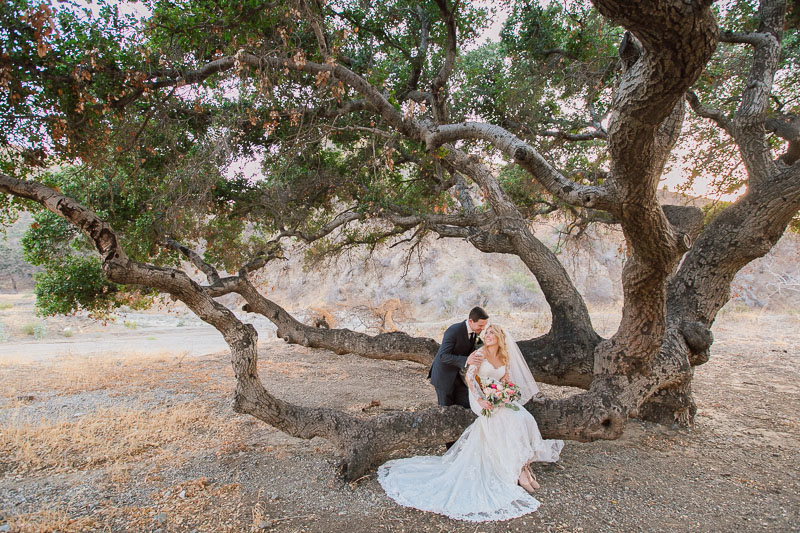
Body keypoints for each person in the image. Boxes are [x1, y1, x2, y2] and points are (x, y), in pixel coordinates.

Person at [379, 324, 564, 522]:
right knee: (509, 420)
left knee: (524, 417)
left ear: (500, 337)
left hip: (497, 397)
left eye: (493, 333)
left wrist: (507, 392)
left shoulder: (504, 356)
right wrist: (482, 399)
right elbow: (470, 377)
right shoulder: (479, 353)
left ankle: (522, 464)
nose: (488, 335)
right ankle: (518, 472)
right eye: (487, 333)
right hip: (480, 397)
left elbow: (506, 379)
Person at [428, 307, 489, 410]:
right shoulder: (453, 331)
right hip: (444, 377)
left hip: (459, 376)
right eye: (480, 325)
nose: (483, 328)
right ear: (470, 321)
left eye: (484, 326)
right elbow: (443, 355)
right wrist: (466, 360)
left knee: (468, 404)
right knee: (447, 410)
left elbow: (479, 346)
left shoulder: (475, 332)